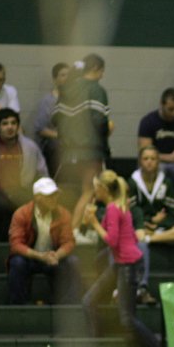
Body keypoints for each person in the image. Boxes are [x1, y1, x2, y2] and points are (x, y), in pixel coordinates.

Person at [82, 170, 161, 347]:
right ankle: (96, 346)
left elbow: (112, 240)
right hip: (123, 264)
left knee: (127, 318)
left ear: (102, 188)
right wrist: (89, 220)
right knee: (88, 301)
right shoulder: (119, 206)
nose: (94, 192)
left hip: (127, 265)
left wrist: (93, 221)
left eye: (95, 188)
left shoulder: (113, 208)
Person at [52, 53, 109, 230]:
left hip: (67, 151)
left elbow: (55, 119)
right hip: (90, 151)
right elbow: (100, 121)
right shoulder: (97, 90)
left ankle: (66, 230)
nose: (102, 75)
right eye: (102, 71)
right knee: (89, 191)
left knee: (72, 194)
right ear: (95, 69)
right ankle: (73, 232)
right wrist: (109, 129)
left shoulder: (66, 90)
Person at [7, 177, 80, 305]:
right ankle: (19, 304)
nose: (54, 198)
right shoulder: (22, 213)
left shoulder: (63, 214)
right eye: (49, 195)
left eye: (55, 194)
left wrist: (56, 255)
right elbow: (16, 244)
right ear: (37, 197)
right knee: (17, 263)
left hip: (53, 257)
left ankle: (69, 304)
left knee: (73, 261)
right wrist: (40, 256)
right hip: (30, 258)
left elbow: (69, 241)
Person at [0, 108, 49, 241]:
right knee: (0, 205)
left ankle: (24, 245)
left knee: (31, 205)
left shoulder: (30, 147)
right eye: (5, 123)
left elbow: (42, 173)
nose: (10, 127)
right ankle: (1, 246)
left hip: (21, 190)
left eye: (13, 123)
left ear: (18, 126)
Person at [128, 145, 174, 246]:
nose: (149, 162)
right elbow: (130, 212)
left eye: (153, 159)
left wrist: (158, 223)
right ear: (140, 161)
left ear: (158, 161)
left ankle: (151, 239)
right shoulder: (132, 183)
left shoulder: (166, 183)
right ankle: (151, 237)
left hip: (162, 228)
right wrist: (151, 220)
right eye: (145, 159)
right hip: (140, 228)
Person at [31, 62, 70, 174]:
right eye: (63, 75)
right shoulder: (47, 101)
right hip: (52, 144)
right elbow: (40, 129)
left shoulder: (75, 101)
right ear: (55, 79)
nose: (67, 78)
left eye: (69, 75)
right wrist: (60, 136)